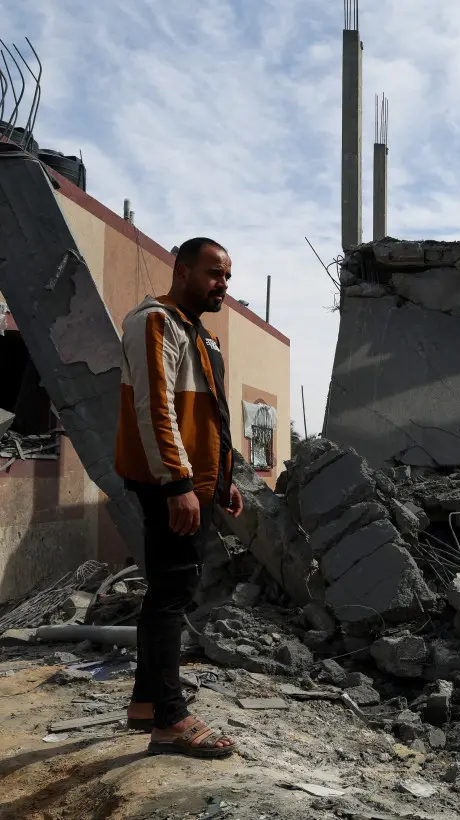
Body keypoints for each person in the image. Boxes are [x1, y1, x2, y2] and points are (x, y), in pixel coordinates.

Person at [114, 237, 242, 758]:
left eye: (228, 277)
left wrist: (224, 477)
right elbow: (155, 408)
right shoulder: (155, 322)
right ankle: (169, 721)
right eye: (214, 274)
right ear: (182, 270)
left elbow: (213, 416)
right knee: (171, 598)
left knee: (167, 593)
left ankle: (148, 702)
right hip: (170, 486)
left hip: (195, 484)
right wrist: (177, 484)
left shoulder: (198, 333)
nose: (223, 285)